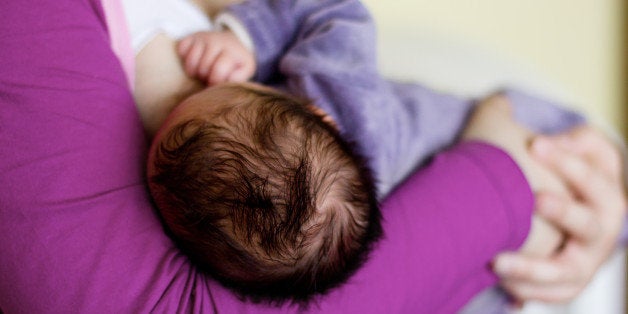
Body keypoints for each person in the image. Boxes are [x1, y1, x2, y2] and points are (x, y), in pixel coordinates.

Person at [0, 1, 624, 314]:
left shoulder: (336, 93)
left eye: (197, 94)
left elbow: (334, 11)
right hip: (508, 170)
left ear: (320, 111)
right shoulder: (297, 193)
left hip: (519, 125)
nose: (187, 84)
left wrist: (245, 32)